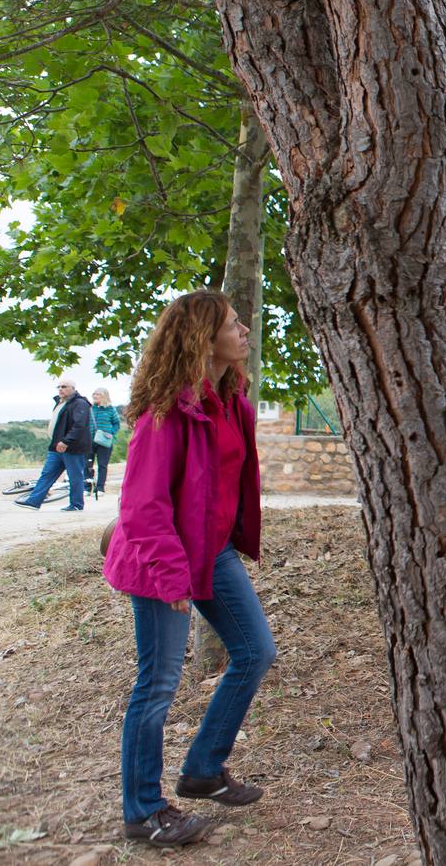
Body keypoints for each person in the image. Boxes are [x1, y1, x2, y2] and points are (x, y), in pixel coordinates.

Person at [103, 289, 274, 848]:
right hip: (161, 559)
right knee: (157, 686)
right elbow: (143, 505)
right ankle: (143, 811)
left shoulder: (232, 401)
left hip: (211, 550)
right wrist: (172, 576)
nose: (245, 329)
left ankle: (203, 769)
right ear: (204, 338)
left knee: (255, 651)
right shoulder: (167, 411)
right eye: (232, 324)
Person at [14, 377, 92, 511]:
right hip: (56, 446)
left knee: (75, 476)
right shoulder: (60, 402)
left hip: (72, 447)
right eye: (59, 387)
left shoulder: (80, 403)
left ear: (73, 388)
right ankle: (34, 501)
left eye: (64, 386)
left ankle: (76, 504)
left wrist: (67, 441)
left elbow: (80, 425)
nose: (61, 389)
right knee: (47, 474)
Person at [89, 386, 122, 494]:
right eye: (94, 394)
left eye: (98, 394)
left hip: (104, 441)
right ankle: (87, 487)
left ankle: (100, 488)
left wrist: (110, 433)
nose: (95, 396)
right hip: (89, 440)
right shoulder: (90, 409)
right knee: (87, 464)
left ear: (104, 396)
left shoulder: (111, 409)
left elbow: (117, 424)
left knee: (102, 465)